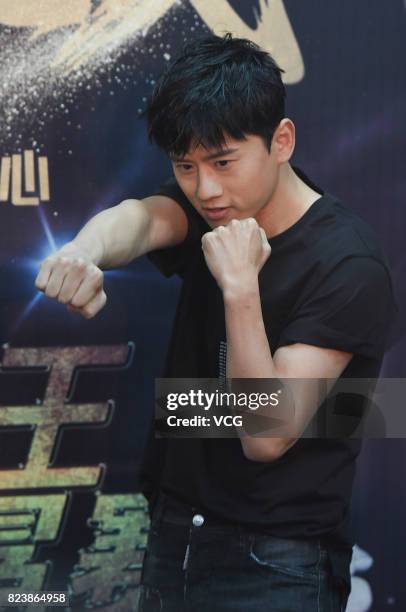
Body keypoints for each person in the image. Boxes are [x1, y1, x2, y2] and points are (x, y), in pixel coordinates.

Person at [35, 34, 396, 611]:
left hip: (277, 560)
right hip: (176, 534)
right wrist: (83, 251)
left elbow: (265, 434)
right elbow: (141, 220)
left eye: (224, 162)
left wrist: (240, 287)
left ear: (281, 141)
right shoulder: (213, 207)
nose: (206, 189)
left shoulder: (347, 263)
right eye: (185, 165)